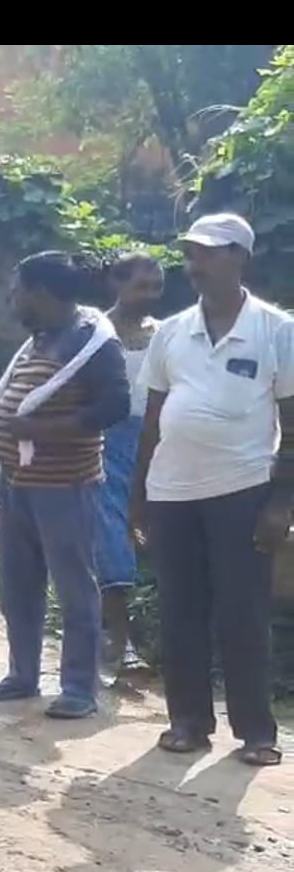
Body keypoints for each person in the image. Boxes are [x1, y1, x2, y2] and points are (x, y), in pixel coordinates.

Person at [133, 213, 292, 766]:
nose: (195, 263)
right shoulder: (172, 332)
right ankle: (188, 722)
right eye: (190, 253)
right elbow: (152, 420)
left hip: (242, 491)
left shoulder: (276, 329)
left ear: (239, 257)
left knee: (241, 613)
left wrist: (282, 502)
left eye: (207, 252)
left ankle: (257, 732)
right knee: (180, 611)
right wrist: (138, 499)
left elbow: (292, 423)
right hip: (172, 493)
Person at [0, 252, 129, 719]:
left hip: (66, 486)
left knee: (74, 587)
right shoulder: (41, 337)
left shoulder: (92, 340)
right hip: (18, 482)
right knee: (18, 584)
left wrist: (41, 430)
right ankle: (23, 675)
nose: (11, 299)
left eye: (16, 290)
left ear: (39, 292)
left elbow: (115, 407)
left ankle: (79, 689)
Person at [98, 252, 163, 682]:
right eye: (142, 286)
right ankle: (120, 642)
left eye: (157, 286)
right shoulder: (96, 334)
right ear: (115, 285)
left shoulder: (166, 334)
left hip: (159, 444)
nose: (151, 295)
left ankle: (160, 637)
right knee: (113, 540)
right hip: (107, 446)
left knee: (157, 538)